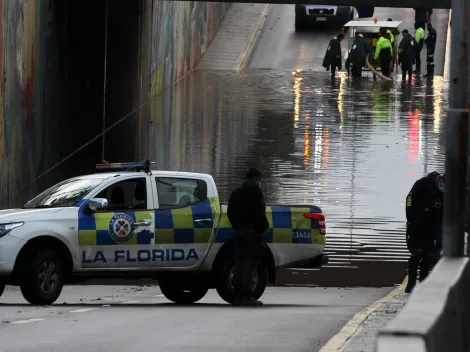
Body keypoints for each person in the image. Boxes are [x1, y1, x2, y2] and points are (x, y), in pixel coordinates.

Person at [227, 168, 269, 306]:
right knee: (249, 264)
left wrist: (237, 226)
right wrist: (262, 228)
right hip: (252, 234)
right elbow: (260, 213)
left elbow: (230, 213)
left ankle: (237, 295)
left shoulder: (236, 192)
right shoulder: (256, 193)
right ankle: (245, 296)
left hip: (238, 232)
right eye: (260, 180)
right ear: (257, 180)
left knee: (239, 263)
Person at [404, 171, 444, 294]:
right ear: (440, 180)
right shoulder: (422, 184)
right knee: (416, 253)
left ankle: (423, 285)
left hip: (431, 227)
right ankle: (411, 285)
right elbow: (409, 199)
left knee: (428, 256)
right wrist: (411, 216)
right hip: (416, 225)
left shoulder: (443, 194)